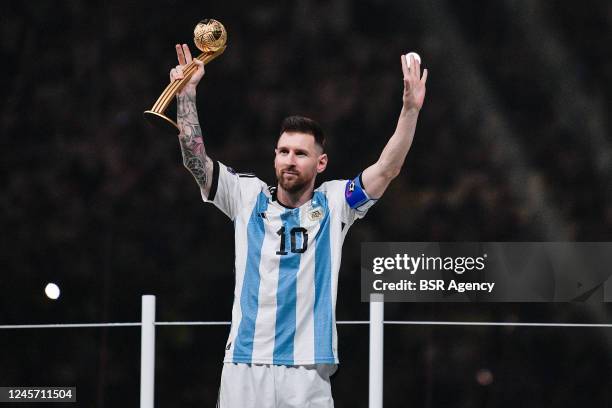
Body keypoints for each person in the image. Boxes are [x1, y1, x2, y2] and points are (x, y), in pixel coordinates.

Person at [169, 43, 427, 408]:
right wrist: (187, 96)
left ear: (321, 164)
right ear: (274, 155)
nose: (290, 160)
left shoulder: (336, 203)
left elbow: (387, 168)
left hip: (307, 370)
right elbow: (195, 161)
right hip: (246, 362)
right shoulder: (246, 195)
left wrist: (410, 110)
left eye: (300, 153)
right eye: (284, 151)